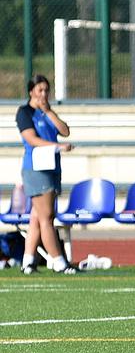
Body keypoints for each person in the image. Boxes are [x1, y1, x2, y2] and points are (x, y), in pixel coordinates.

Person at [15, 75, 77, 275]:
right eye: (39, 90)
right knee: (47, 217)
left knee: (36, 217)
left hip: (51, 168)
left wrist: (49, 111)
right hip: (36, 168)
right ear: (31, 91)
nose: (43, 94)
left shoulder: (46, 113)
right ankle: (59, 261)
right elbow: (31, 139)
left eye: (46, 90)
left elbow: (64, 130)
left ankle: (28, 261)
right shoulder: (25, 113)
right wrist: (57, 147)